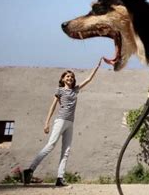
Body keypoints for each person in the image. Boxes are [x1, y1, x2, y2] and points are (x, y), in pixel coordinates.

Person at [23, 58, 103, 186]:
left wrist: (97, 67)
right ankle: (30, 170)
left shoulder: (75, 90)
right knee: (51, 145)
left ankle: (60, 178)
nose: (70, 78)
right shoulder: (59, 90)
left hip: (70, 123)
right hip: (60, 120)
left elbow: (88, 80)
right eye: (67, 76)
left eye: (71, 76)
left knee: (66, 150)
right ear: (63, 79)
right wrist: (46, 123)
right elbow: (52, 106)